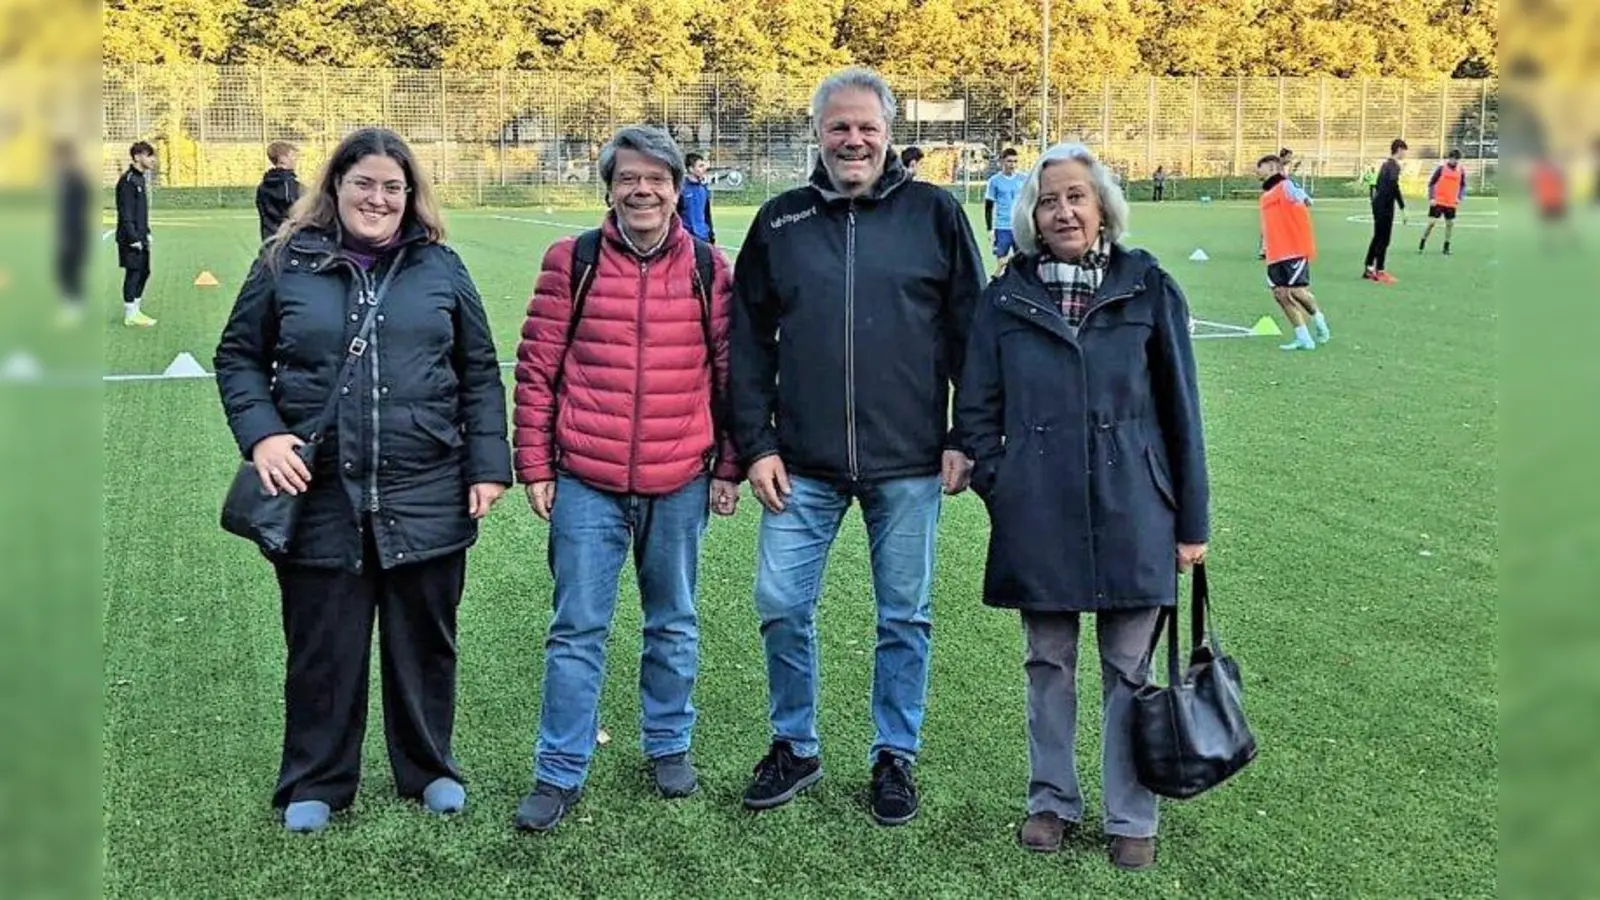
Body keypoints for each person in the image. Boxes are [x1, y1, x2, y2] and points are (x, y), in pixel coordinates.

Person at [212, 127, 512, 834]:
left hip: (426, 486)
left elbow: (478, 371)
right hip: (318, 494)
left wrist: (487, 464)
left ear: (411, 196)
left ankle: (429, 768)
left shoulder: (440, 266)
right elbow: (238, 357)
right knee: (323, 647)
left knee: (425, 644)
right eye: (364, 184)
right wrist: (263, 434)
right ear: (336, 186)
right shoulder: (284, 261)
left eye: (392, 187)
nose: (377, 199)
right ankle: (316, 778)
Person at [730, 66, 985, 826]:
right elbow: (747, 342)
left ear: (888, 134)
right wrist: (756, 444)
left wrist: (964, 434)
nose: (853, 140)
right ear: (817, 133)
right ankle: (795, 744)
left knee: (904, 615)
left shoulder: (935, 214)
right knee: (780, 604)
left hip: (908, 460)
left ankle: (894, 755)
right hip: (799, 464)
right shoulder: (779, 221)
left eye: (867, 127)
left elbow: (973, 334)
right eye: (838, 126)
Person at [953, 141, 1209, 873]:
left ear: (1102, 207)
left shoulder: (1148, 285)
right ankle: (1051, 801)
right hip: (1039, 509)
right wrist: (1004, 482)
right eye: (1048, 200)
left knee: (1130, 668)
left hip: (1136, 506)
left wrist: (1191, 520)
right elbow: (976, 409)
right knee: (1048, 662)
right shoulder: (1004, 298)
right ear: (1030, 216)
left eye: (1076, 196)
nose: (1063, 211)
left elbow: (1182, 411)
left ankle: (1132, 814)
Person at [510, 126, 742, 833]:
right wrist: (535, 464)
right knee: (576, 629)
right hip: (587, 480)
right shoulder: (571, 260)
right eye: (628, 179)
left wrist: (729, 465)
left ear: (677, 187)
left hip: (680, 479)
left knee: (673, 623)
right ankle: (559, 769)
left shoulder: (709, 267)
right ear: (609, 188)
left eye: (656, 179)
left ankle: (668, 744)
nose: (643, 191)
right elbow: (536, 370)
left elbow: (733, 375)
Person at [1256, 154, 1329, 351]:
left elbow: (1304, 199)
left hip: (1293, 249)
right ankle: (1303, 338)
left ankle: (1319, 319)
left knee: (1296, 291)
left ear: (1272, 168)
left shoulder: (1286, 186)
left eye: (1261, 167)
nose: (1258, 171)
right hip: (1274, 253)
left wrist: (1302, 198)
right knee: (1280, 294)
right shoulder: (1265, 196)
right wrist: (1264, 246)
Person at [115, 141, 158, 327]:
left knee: (144, 272)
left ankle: (136, 310)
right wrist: (133, 238)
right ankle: (130, 314)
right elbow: (125, 213)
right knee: (133, 273)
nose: (153, 159)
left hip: (141, 236)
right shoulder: (128, 180)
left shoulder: (140, 179)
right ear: (137, 157)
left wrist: (146, 232)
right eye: (149, 155)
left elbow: (140, 212)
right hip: (129, 238)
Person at [53, 139, 91, 327]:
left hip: (75, 232)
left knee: (68, 269)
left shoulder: (75, 178)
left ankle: (74, 307)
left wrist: (69, 234)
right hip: (69, 231)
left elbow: (75, 209)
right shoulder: (66, 177)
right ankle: (72, 305)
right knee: (63, 269)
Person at [1363, 138, 1408, 284]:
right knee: (1384, 239)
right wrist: (1402, 207)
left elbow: (1380, 185)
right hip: (1385, 206)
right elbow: (1394, 187)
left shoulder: (1385, 165)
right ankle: (1379, 270)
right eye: (1404, 151)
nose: (1405, 154)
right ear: (1399, 150)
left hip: (1378, 204)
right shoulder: (1394, 166)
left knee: (1378, 236)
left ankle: (1369, 268)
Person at [1419, 149, 1467, 255]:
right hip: (1438, 201)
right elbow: (1431, 183)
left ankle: (1446, 247)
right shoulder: (1441, 169)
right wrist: (1432, 197)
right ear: (1449, 158)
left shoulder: (1461, 170)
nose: (1455, 161)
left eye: (1457, 159)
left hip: (1451, 202)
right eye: (1453, 158)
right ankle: (1423, 240)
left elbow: (1463, 185)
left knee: (1450, 224)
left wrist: (1459, 197)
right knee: (1432, 223)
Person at [986, 148, 1027, 266]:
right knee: (1001, 262)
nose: (1012, 165)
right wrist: (990, 229)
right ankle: (1000, 277)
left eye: (1015, 161)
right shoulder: (994, 181)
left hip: (1020, 227)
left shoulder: (1024, 179)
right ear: (1002, 162)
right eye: (1009, 161)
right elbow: (989, 206)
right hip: (1002, 227)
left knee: (1023, 263)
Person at [257, 140, 303, 242]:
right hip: (288, 242)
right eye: (292, 155)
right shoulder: (290, 186)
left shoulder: (262, 186)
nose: (296, 160)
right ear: (283, 159)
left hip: (268, 240)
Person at [676, 151, 716, 243]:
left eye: (704, 166)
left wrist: (711, 234)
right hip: (686, 239)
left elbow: (707, 214)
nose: (704, 169)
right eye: (700, 166)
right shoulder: (681, 189)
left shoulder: (704, 188)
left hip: (703, 237)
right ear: (691, 169)